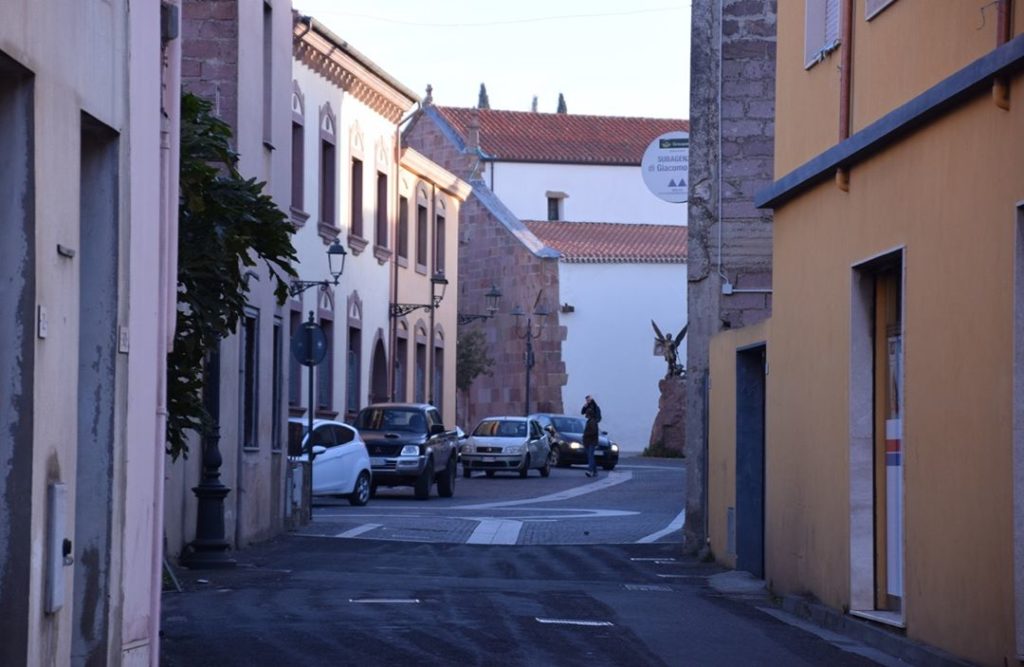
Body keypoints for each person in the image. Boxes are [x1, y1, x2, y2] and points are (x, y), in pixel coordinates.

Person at [581, 395, 602, 477]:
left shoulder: (595, 408)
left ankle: (590, 471)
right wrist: (584, 406)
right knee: (590, 455)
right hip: (588, 439)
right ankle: (595, 471)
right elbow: (582, 412)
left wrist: (595, 421)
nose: (587, 401)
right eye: (587, 400)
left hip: (591, 439)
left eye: (589, 400)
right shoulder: (588, 421)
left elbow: (599, 417)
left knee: (590, 455)